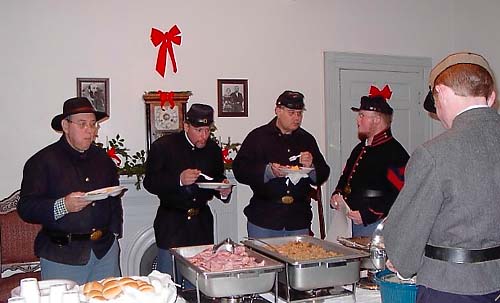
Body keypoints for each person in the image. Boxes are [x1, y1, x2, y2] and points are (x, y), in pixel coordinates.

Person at [383, 52, 500, 302]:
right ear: (491, 96)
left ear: (442, 92)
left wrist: (401, 257)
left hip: (452, 287)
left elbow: (403, 249)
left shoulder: (434, 154)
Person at [17, 97, 122, 285]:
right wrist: (63, 205)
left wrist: (114, 232)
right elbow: (26, 208)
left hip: (105, 251)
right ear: (66, 125)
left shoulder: (103, 159)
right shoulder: (42, 161)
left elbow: (114, 199)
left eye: (92, 124)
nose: (89, 131)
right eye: (82, 124)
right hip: (62, 256)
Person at [143, 103, 233, 279]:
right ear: (186, 126)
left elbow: (216, 179)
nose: (204, 136)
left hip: (202, 225)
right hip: (171, 224)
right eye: (199, 130)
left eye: (207, 130)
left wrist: (222, 190)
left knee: (199, 283)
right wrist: (178, 180)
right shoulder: (163, 146)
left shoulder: (213, 150)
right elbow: (150, 183)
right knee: (167, 282)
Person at [232, 90, 330, 238]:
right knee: (264, 261)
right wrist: (267, 172)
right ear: (278, 110)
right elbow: (239, 170)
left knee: (299, 260)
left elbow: (323, 173)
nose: (297, 118)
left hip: (298, 219)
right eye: (292, 112)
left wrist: (311, 168)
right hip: (264, 218)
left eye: (300, 113)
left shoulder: (306, 139)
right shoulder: (258, 137)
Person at [330, 85, 409, 237]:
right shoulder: (360, 148)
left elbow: (402, 193)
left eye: (362, 115)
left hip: (375, 226)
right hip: (349, 224)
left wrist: (370, 214)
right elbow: (346, 177)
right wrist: (337, 193)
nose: (358, 120)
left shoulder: (394, 152)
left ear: (377, 120)